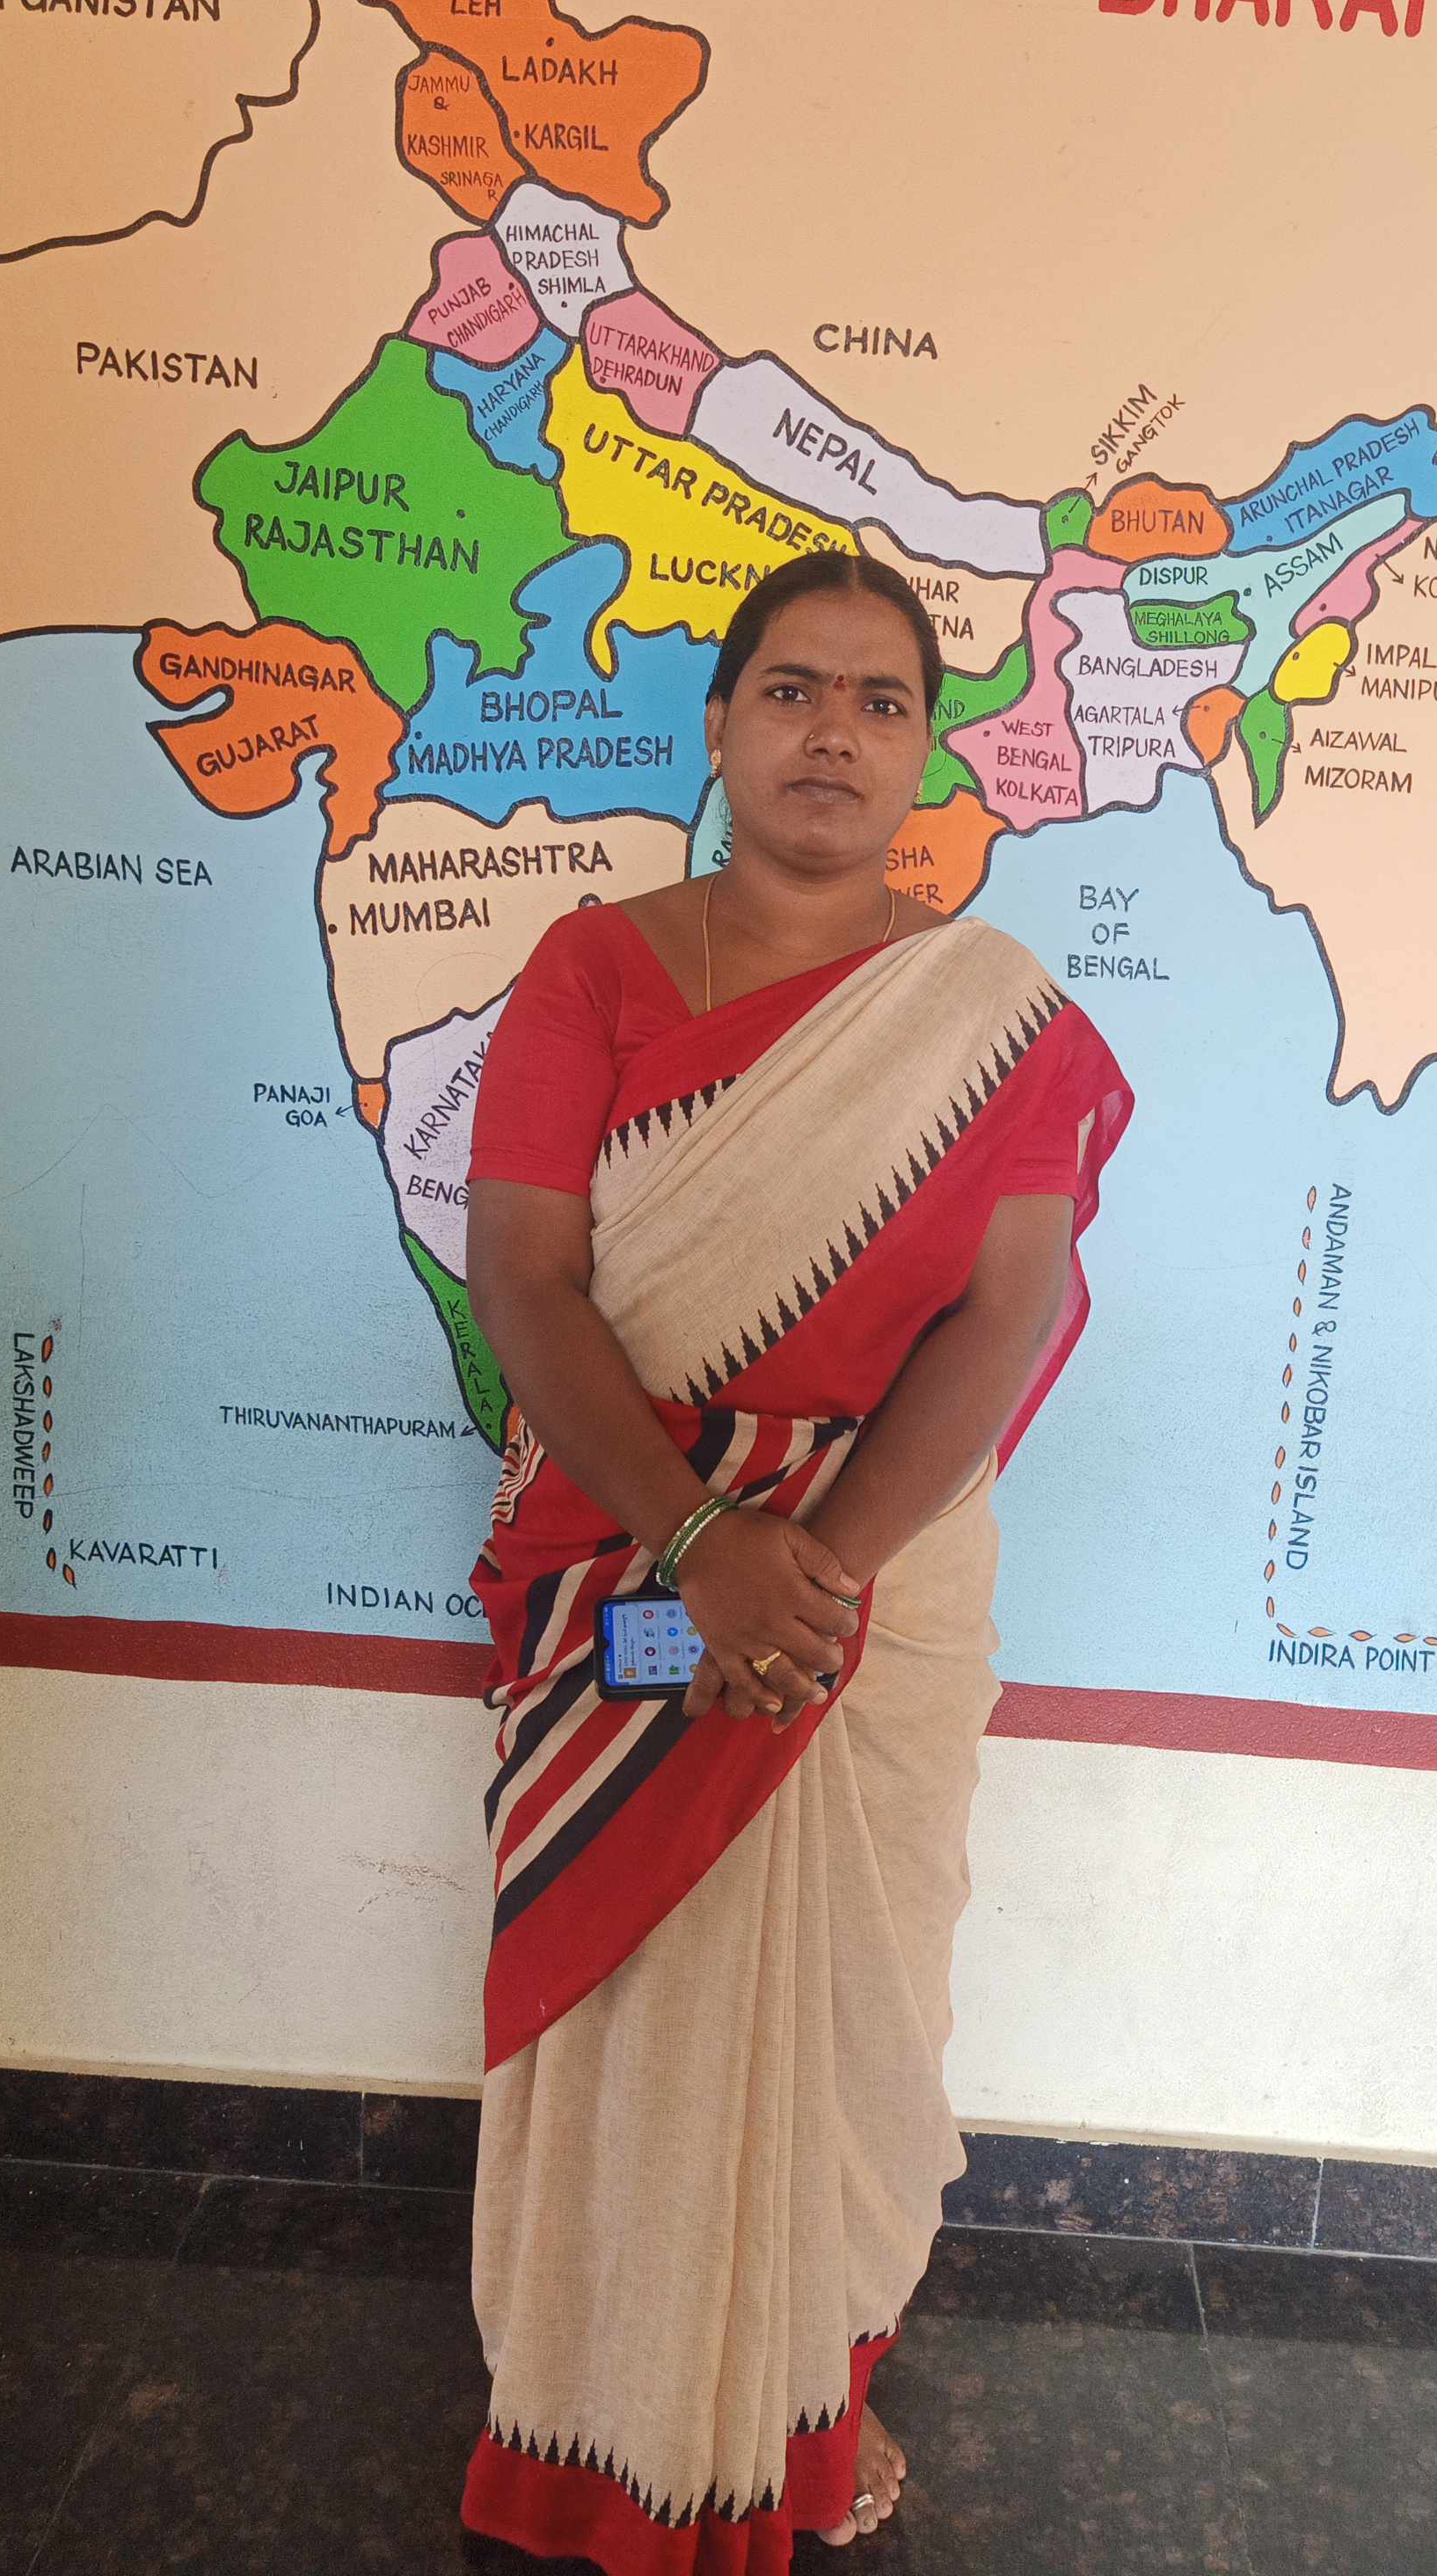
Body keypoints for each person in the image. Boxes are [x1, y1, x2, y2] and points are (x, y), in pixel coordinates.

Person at [456, 547, 1134, 2572]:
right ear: (723, 724)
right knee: (630, 2001)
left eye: (879, 699)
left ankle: (800, 2396)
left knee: (842, 2018)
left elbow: (1003, 1315)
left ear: (926, 751)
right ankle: (592, 2407)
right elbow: (525, 1276)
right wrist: (700, 1541)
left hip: (877, 1578)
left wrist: (806, 1574)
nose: (833, 730)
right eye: (792, 689)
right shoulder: (593, 972)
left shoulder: (997, 1023)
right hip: (624, 1550)